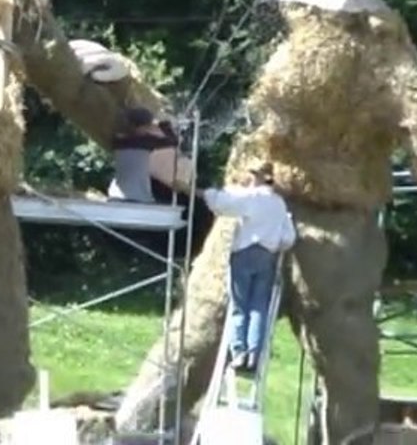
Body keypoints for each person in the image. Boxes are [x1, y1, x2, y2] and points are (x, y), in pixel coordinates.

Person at [202, 163, 296, 372]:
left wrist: (207, 193)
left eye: (254, 175)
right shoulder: (279, 203)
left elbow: (222, 203)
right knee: (258, 307)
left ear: (261, 178)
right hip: (267, 256)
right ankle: (254, 354)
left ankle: (239, 352)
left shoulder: (252, 198)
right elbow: (288, 237)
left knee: (239, 305)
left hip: (244, 253)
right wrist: (273, 242)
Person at [107, 106, 179, 203]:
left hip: (115, 195)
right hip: (138, 196)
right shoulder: (145, 142)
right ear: (142, 126)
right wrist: (163, 124)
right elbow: (173, 141)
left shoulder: (117, 140)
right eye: (148, 126)